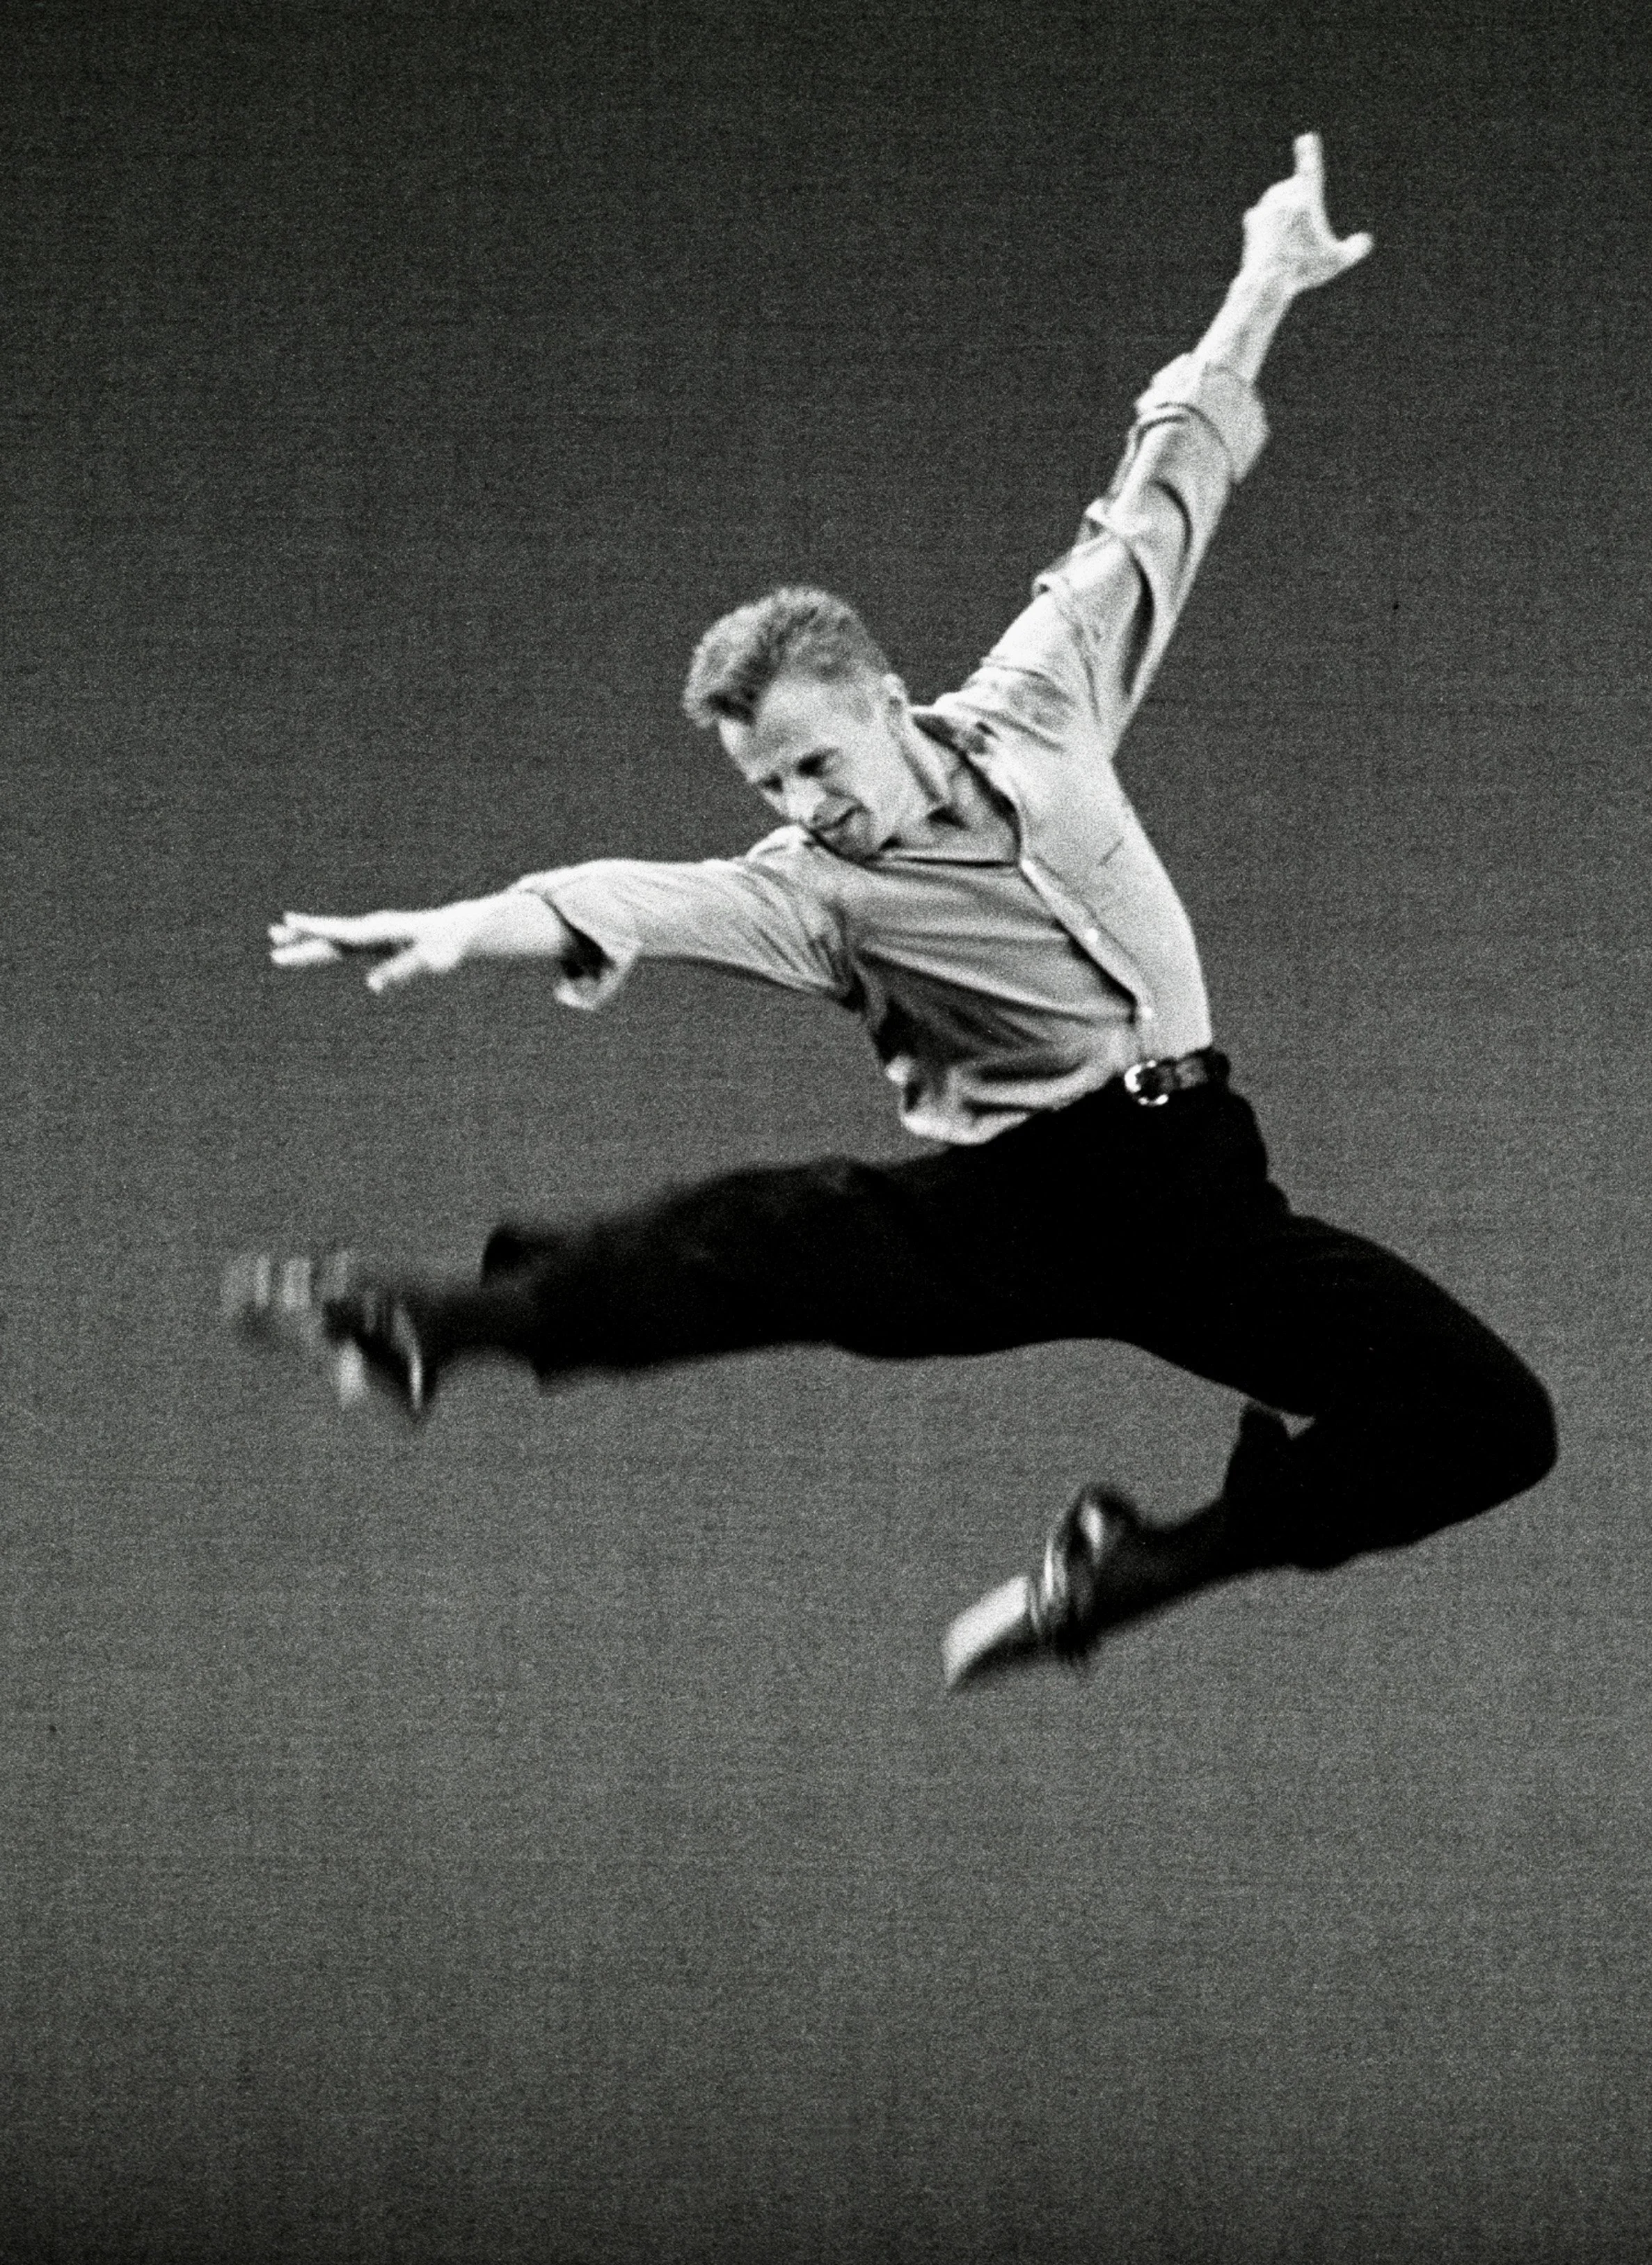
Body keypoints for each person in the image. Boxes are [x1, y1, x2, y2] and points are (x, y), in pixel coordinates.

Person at [226, 136, 1556, 1691]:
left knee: (1486, 1422)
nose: (802, 806)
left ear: (883, 696)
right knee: (757, 1246)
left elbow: (1161, 492)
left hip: (1194, 1196)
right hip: (1018, 1202)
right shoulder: (817, 895)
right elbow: (649, 898)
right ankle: (430, 1323)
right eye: (767, 782)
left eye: (814, 760)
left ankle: (1139, 1568)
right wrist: (473, 922)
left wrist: (1262, 281)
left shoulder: (1043, 701)